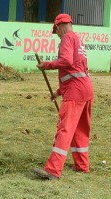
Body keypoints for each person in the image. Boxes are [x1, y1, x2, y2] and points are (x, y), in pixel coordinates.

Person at [32, 13, 93, 180]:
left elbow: (66, 62)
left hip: (75, 91)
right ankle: (82, 165)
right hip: (85, 88)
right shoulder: (77, 39)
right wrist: (58, 92)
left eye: (56, 31)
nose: (57, 35)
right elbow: (75, 71)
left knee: (65, 129)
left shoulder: (66, 38)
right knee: (80, 129)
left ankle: (53, 170)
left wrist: (47, 65)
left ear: (59, 26)